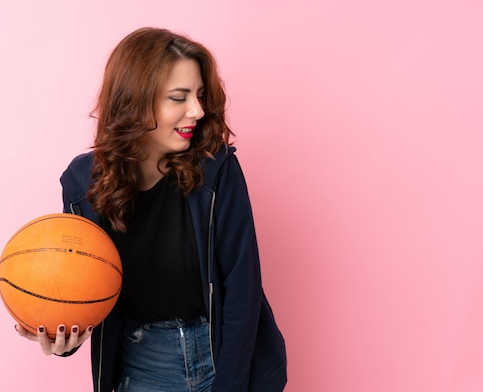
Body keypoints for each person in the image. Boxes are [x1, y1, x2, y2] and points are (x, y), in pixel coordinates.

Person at [16, 27, 287, 392]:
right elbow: (80, 288)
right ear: (135, 101)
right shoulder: (83, 183)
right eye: (179, 97)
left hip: (222, 354)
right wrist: (63, 335)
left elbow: (242, 290)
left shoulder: (216, 168)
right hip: (142, 365)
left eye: (200, 95)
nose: (198, 110)